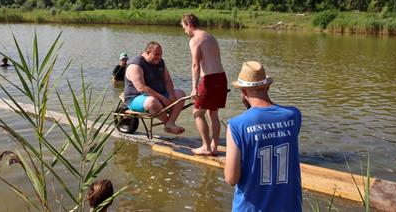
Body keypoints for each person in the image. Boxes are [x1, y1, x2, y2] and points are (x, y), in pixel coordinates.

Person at [224, 61, 302, 212]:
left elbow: (231, 179)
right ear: (267, 86)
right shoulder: (293, 116)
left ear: (244, 92)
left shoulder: (237, 125)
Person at [181, 13, 228, 156]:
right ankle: (214, 147)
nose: (184, 31)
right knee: (213, 113)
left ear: (189, 25)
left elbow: (196, 65)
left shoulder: (195, 39)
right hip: (221, 77)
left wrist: (194, 87)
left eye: (184, 27)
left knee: (197, 113)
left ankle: (206, 147)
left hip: (210, 79)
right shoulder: (210, 36)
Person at [124, 41, 186, 134]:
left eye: (160, 54)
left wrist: (171, 94)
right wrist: (163, 99)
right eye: (156, 54)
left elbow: (167, 80)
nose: (159, 57)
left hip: (158, 94)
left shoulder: (160, 62)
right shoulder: (136, 65)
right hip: (135, 97)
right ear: (147, 52)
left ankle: (170, 123)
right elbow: (141, 88)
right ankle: (167, 123)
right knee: (152, 102)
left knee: (181, 94)